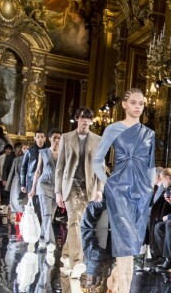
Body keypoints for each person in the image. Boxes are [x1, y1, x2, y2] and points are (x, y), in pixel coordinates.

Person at [93, 88, 155, 293]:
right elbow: (96, 161)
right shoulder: (113, 129)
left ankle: (116, 277)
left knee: (132, 244)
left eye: (141, 103)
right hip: (119, 190)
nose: (138, 107)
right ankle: (124, 288)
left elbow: (151, 166)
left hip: (142, 192)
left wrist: (150, 191)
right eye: (134, 102)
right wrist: (108, 183)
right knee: (126, 243)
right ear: (125, 104)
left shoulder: (149, 134)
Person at [55, 107, 103, 279]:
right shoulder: (67, 138)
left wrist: (99, 188)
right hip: (70, 185)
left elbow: (100, 166)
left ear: (91, 121)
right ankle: (77, 262)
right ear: (77, 119)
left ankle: (66, 255)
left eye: (88, 118)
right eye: (82, 117)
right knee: (74, 221)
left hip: (87, 186)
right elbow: (59, 167)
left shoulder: (98, 140)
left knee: (74, 220)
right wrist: (57, 191)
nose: (85, 121)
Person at [28, 128, 62, 264]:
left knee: (50, 216)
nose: (57, 140)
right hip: (43, 185)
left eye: (59, 138)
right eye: (54, 138)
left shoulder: (63, 154)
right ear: (49, 139)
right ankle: (50, 243)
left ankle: (42, 238)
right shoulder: (43, 152)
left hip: (56, 188)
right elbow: (38, 171)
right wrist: (33, 188)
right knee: (46, 214)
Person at [20, 130, 46, 218]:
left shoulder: (47, 151)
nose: (40, 139)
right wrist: (23, 184)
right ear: (35, 138)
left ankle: (41, 223)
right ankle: (33, 222)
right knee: (33, 202)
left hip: (44, 179)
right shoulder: (29, 151)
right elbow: (23, 168)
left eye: (42, 137)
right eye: (38, 137)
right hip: (31, 180)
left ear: (45, 138)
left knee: (42, 203)